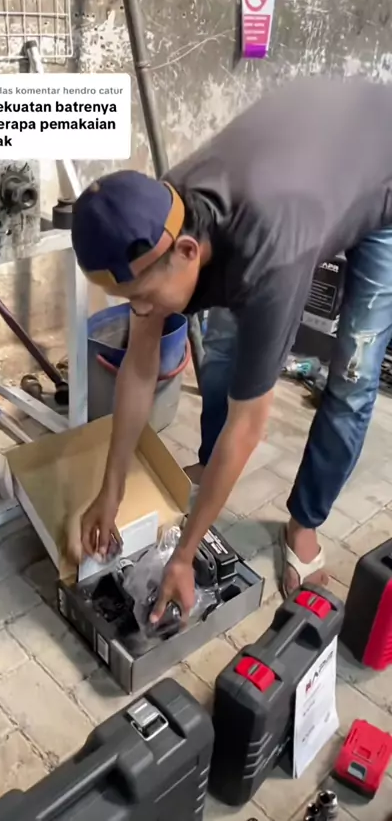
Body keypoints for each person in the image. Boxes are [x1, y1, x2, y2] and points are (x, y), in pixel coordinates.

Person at [71, 75, 392, 623]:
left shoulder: (270, 254)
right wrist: (111, 489)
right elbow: (141, 366)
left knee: (354, 377)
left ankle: (305, 522)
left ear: (188, 251)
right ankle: (207, 462)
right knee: (221, 349)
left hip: (379, 167)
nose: (139, 313)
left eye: (143, 298)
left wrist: (184, 554)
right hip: (311, 148)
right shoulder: (159, 212)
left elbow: (250, 426)